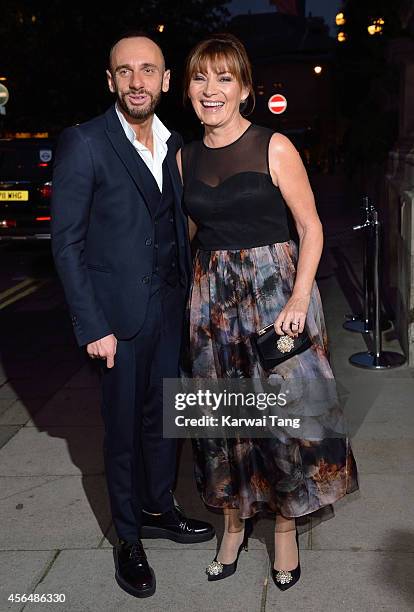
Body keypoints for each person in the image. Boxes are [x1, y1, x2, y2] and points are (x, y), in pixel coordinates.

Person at [178, 33, 358, 590]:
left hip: (278, 295)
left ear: (245, 89)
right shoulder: (183, 156)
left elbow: (311, 227)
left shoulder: (273, 145)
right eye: (201, 78)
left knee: (293, 421)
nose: (212, 90)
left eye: (225, 78)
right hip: (213, 304)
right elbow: (190, 237)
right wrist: (192, 296)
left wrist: (301, 297)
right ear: (187, 88)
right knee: (222, 422)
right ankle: (232, 525)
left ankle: (285, 528)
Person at [51, 31, 214, 599]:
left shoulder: (176, 144)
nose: (137, 81)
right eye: (126, 71)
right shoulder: (85, 142)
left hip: (170, 312)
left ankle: (158, 508)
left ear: (166, 81)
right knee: (121, 433)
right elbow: (66, 244)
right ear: (111, 79)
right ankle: (127, 538)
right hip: (116, 321)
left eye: (148, 70)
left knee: (165, 424)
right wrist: (92, 324)